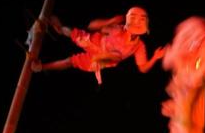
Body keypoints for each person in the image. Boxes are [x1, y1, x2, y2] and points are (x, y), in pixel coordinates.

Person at [35, 6, 165, 84]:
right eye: (134, 18)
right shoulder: (118, 28)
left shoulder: (139, 46)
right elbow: (92, 26)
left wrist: (155, 57)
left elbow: (142, 67)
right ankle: (57, 27)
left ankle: (42, 67)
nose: (136, 23)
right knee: (70, 32)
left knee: (70, 61)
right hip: (94, 41)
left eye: (141, 20)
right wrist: (110, 20)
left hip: (100, 60)